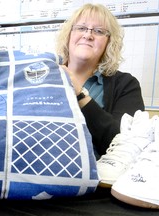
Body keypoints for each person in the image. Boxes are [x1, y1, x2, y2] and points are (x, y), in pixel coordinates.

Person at [55, 3, 145, 158]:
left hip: (97, 178)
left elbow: (125, 146)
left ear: (109, 42)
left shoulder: (126, 85)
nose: (88, 35)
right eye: (81, 28)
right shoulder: (45, 75)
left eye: (98, 31)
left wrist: (80, 95)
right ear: (69, 35)